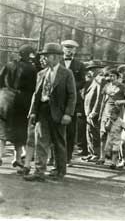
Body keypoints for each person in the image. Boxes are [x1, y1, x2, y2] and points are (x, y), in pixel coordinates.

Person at [24, 43, 76, 182]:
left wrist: (68, 114)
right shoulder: (41, 73)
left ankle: (60, 171)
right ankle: (39, 172)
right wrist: (33, 112)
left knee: (58, 143)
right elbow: (36, 94)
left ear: (56, 57)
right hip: (43, 111)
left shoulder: (67, 73)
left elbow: (72, 95)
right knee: (40, 142)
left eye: (47, 56)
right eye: (44, 56)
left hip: (59, 113)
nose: (45, 59)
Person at [0, 44, 38, 167]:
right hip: (22, 102)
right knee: (20, 131)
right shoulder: (32, 69)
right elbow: (34, 88)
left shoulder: (9, 65)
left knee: (2, 130)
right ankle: (17, 158)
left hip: (5, 100)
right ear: (30, 55)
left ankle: (0, 155)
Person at [60, 40, 86, 167]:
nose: (69, 50)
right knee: (55, 129)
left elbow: (83, 81)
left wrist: (71, 87)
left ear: (75, 50)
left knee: (70, 131)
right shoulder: (57, 63)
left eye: (72, 48)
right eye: (67, 48)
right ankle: (54, 156)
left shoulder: (80, 65)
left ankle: (68, 157)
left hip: (72, 102)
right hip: (57, 101)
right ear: (63, 49)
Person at [97, 69, 125, 164]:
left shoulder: (122, 87)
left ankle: (118, 160)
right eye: (110, 76)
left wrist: (121, 102)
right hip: (106, 112)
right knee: (103, 134)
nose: (111, 78)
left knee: (117, 136)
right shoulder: (106, 86)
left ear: (118, 77)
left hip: (117, 113)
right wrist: (100, 114)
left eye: (113, 76)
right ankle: (102, 157)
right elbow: (103, 101)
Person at [82, 62, 106, 161]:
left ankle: (96, 154)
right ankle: (91, 152)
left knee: (95, 133)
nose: (90, 71)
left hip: (93, 112)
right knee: (90, 132)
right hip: (89, 111)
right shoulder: (94, 80)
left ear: (99, 69)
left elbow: (100, 96)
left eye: (92, 69)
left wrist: (95, 111)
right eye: (89, 69)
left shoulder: (101, 79)